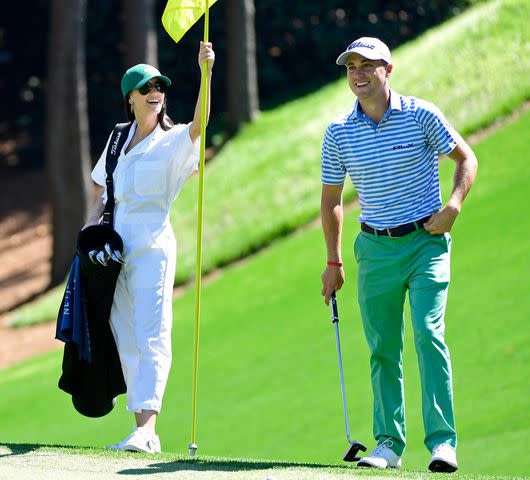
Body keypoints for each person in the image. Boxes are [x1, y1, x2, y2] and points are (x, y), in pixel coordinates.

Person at [320, 37, 477, 472]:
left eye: (368, 65)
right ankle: (388, 444)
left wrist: (453, 208)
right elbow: (331, 199)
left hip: (426, 242)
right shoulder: (338, 132)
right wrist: (333, 262)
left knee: (429, 334)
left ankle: (443, 443)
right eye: (351, 66)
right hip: (374, 249)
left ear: (389, 69)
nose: (358, 73)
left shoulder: (422, 114)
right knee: (383, 348)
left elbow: (466, 159)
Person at [83, 41, 215, 453]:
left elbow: (200, 125)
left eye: (160, 86)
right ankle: (139, 427)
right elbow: (101, 192)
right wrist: (86, 238)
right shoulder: (118, 137)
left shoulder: (174, 138)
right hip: (114, 245)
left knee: (152, 331)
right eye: (146, 88)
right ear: (130, 97)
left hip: (153, 242)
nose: (155, 92)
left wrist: (206, 73)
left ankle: (149, 428)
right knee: (124, 331)